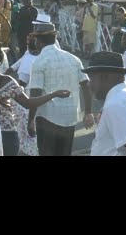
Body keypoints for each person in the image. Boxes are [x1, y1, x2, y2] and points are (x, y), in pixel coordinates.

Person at [0, 45, 70, 156]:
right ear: (0, 61)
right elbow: (28, 103)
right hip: (6, 136)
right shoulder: (7, 81)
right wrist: (53, 94)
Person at [28, 22, 94, 156]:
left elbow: (35, 94)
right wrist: (88, 112)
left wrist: (30, 120)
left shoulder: (39, 61)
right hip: (69, 117)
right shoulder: (73, 59)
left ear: (39, 41)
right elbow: (86, 85)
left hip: (47, 118)